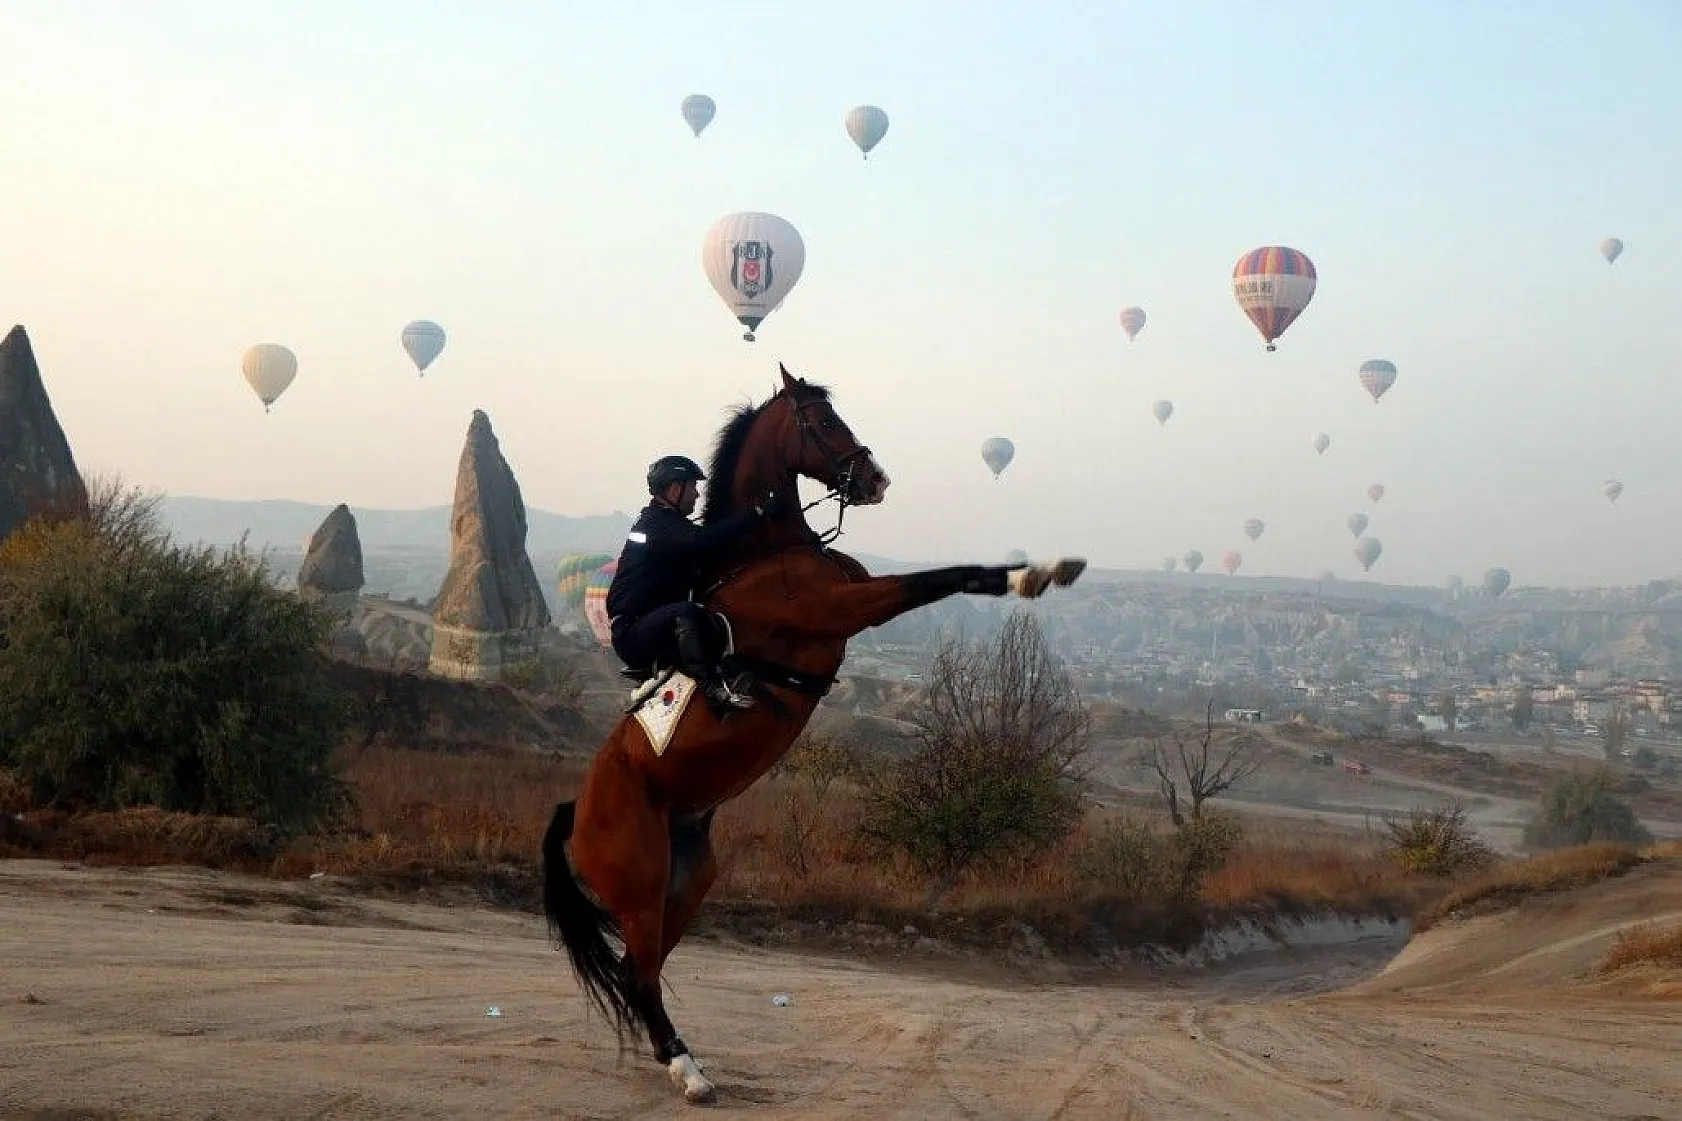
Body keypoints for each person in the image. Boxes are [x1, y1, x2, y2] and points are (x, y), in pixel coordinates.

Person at [606, 454, 783, 710]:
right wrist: (757, 513)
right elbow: (702, 540)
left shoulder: (671, 524)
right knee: (686, 612)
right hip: (633, 634)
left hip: (656, 624)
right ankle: (712, 689)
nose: (697, 495)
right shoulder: (657, 524)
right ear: (675, 490)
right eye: (693, 488)